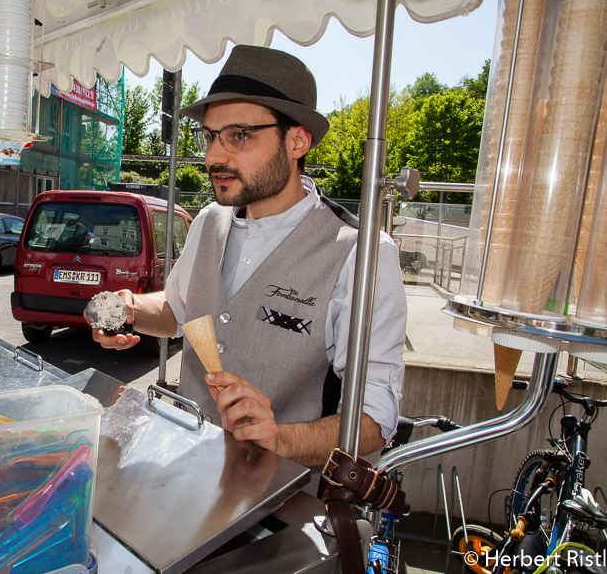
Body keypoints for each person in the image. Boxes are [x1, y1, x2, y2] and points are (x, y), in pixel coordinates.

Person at [90, 45, 406, 466]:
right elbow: (176, 311)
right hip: (182, 474)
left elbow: (374, 420)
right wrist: (126, 307)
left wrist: (281, 438)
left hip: (280, 508)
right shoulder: (209, 221)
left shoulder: (362, 255)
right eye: (209, 136)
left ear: (297, 141)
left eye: (239, 136)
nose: (213, 156)